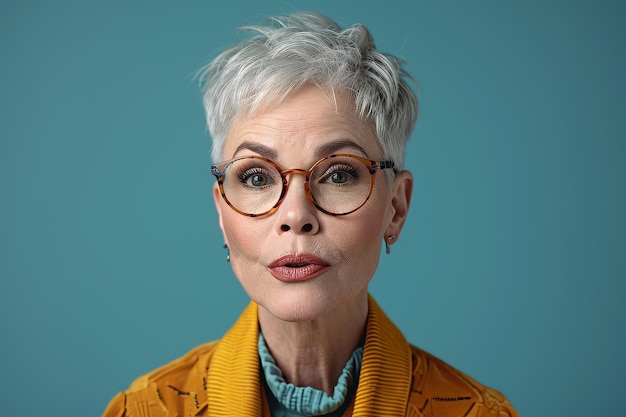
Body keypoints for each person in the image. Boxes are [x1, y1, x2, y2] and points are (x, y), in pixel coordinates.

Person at [103, 12, 519, 417]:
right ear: (221, 211)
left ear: (396, 207)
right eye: (255, 178)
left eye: (338, 174)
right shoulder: (141, 411)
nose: (296, 215)